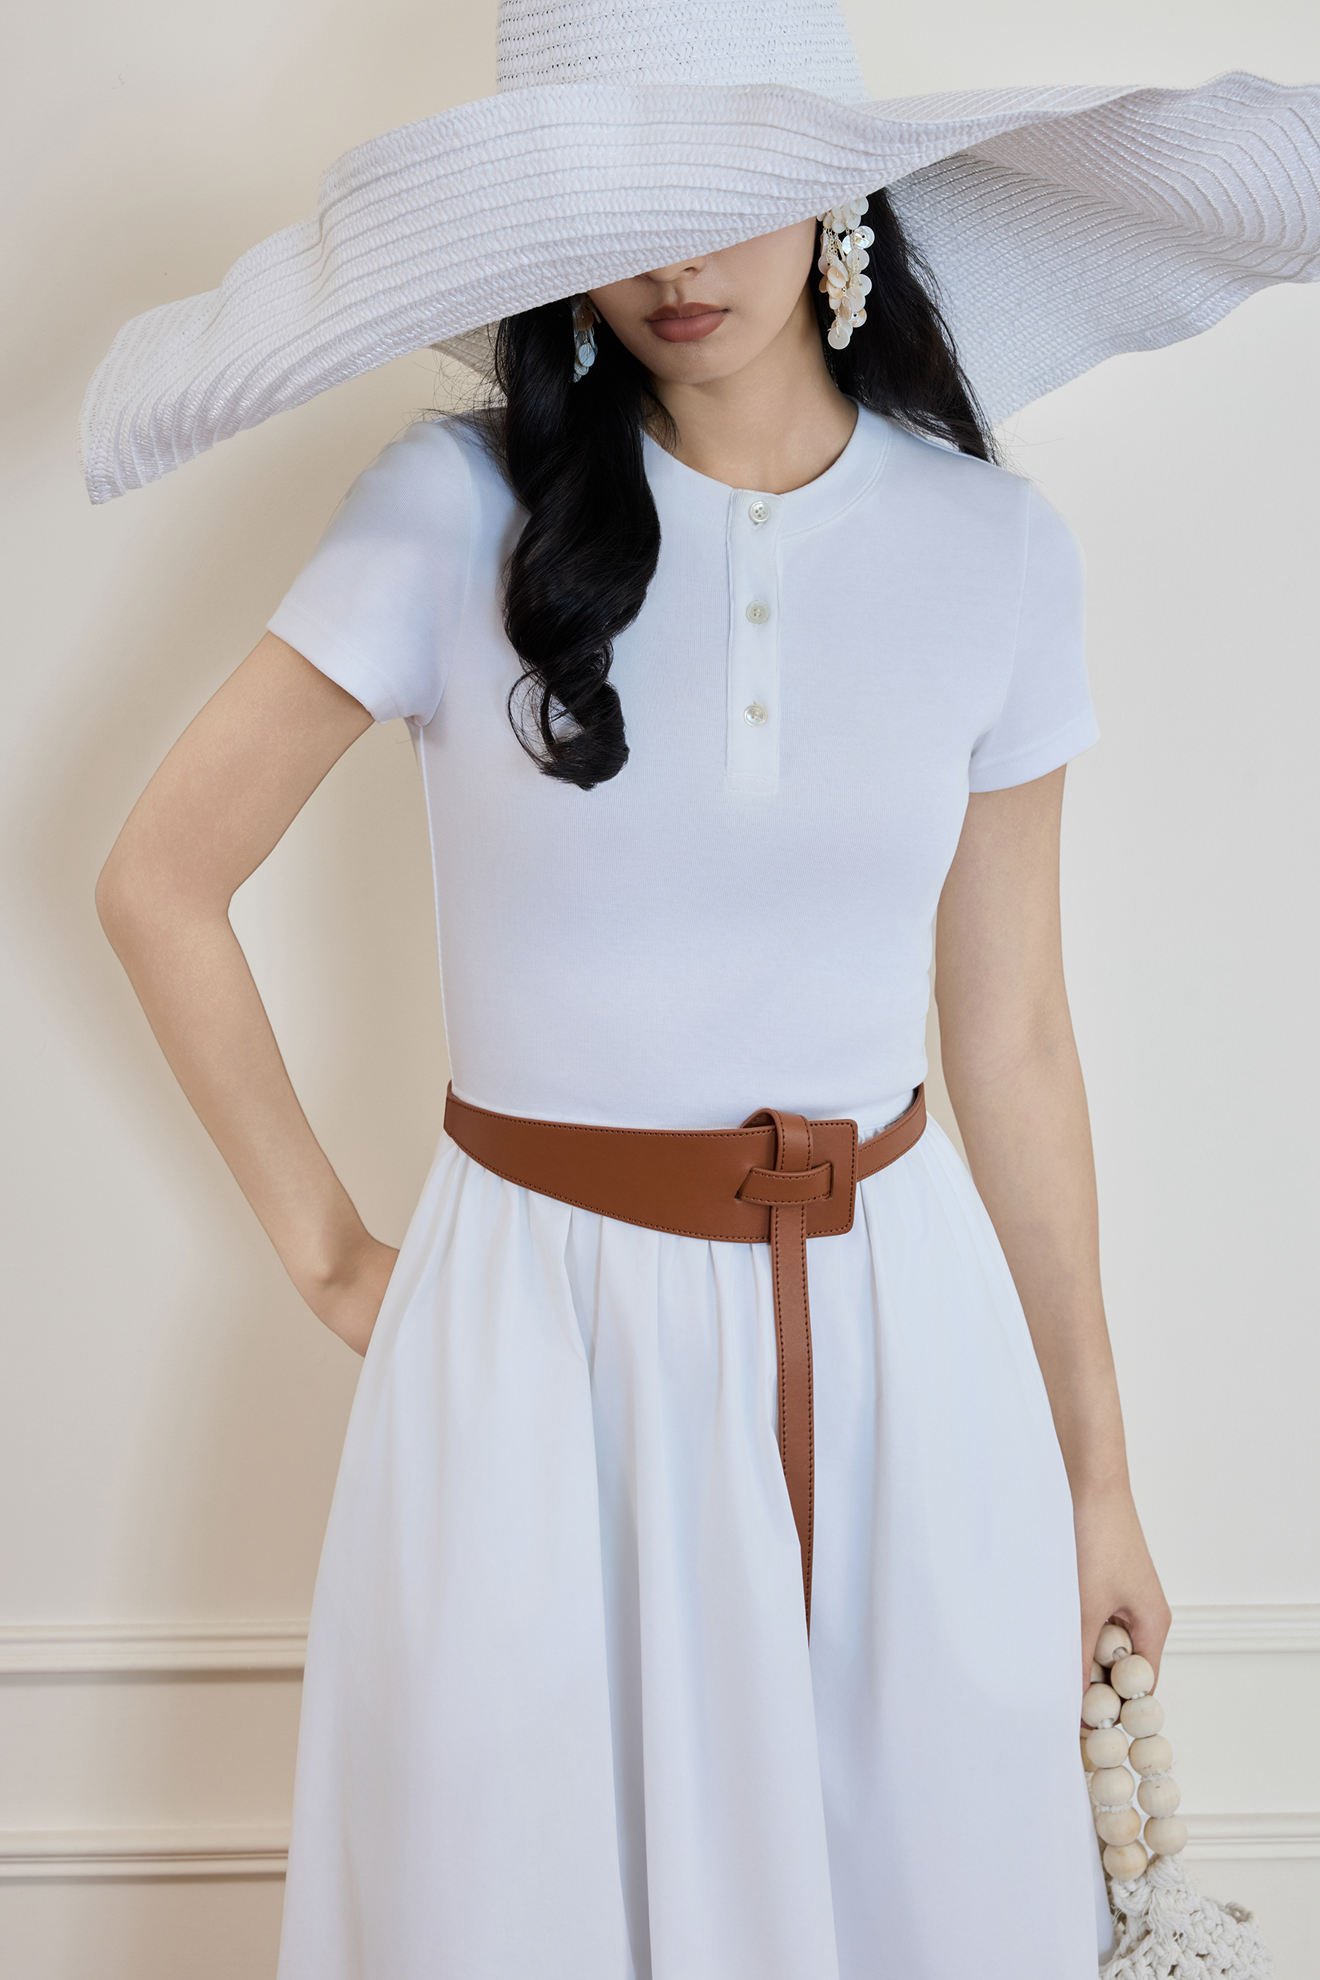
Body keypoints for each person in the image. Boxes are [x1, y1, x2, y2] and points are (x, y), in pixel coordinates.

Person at [82, 4, 1319, 1976]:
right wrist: (335, 1261)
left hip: (909, 1351)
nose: (674, 260)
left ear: (839, 197)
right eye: (615, 210)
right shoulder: (451, 511)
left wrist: (1100, 1477)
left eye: (726, 195)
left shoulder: (995, 550)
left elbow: (1013, 1036)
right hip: (532, 1343)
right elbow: (160, 880)